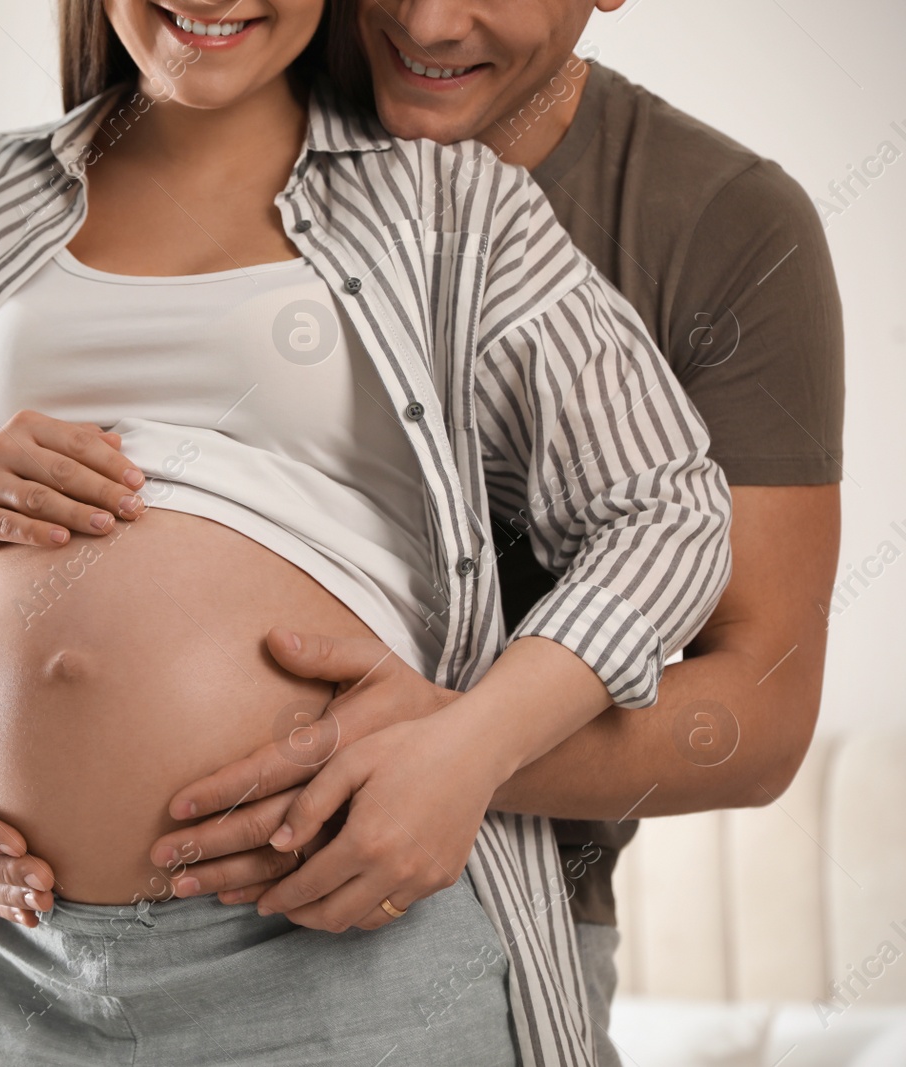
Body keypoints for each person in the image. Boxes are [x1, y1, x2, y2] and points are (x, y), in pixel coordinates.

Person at [0, 1, 733, 1062]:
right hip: (9, 958)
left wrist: (472, 745)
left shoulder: (449, 209)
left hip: (337, 939)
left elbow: (663, 508)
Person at [119, 2, 844, 1064]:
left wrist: (461, 752)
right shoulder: (223, 93)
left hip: (475, 930)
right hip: (79, 945)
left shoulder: (717, 221)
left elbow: (760, 709)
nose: (426, 19)